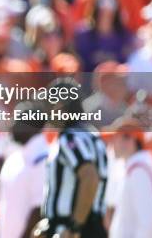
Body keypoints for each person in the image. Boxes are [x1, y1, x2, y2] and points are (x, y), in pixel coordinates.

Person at [41, 79, 108, 238]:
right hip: (91, 225)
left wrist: (74, 227)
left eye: (49, 105)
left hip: (74, 228)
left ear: (60, 105)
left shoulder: (70, 137)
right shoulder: (91, 133)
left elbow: (90, 177)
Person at [0, 101, 48, 238]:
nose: (11, 125)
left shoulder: (43, 160)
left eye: (17, 120)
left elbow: (39, 208)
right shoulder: (15, 158)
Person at [108, 117, 152, 238]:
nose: (111, 144)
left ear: (129, 140)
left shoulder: (139, 170)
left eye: (115, 138)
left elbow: (146, 219)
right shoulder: (136, 166)